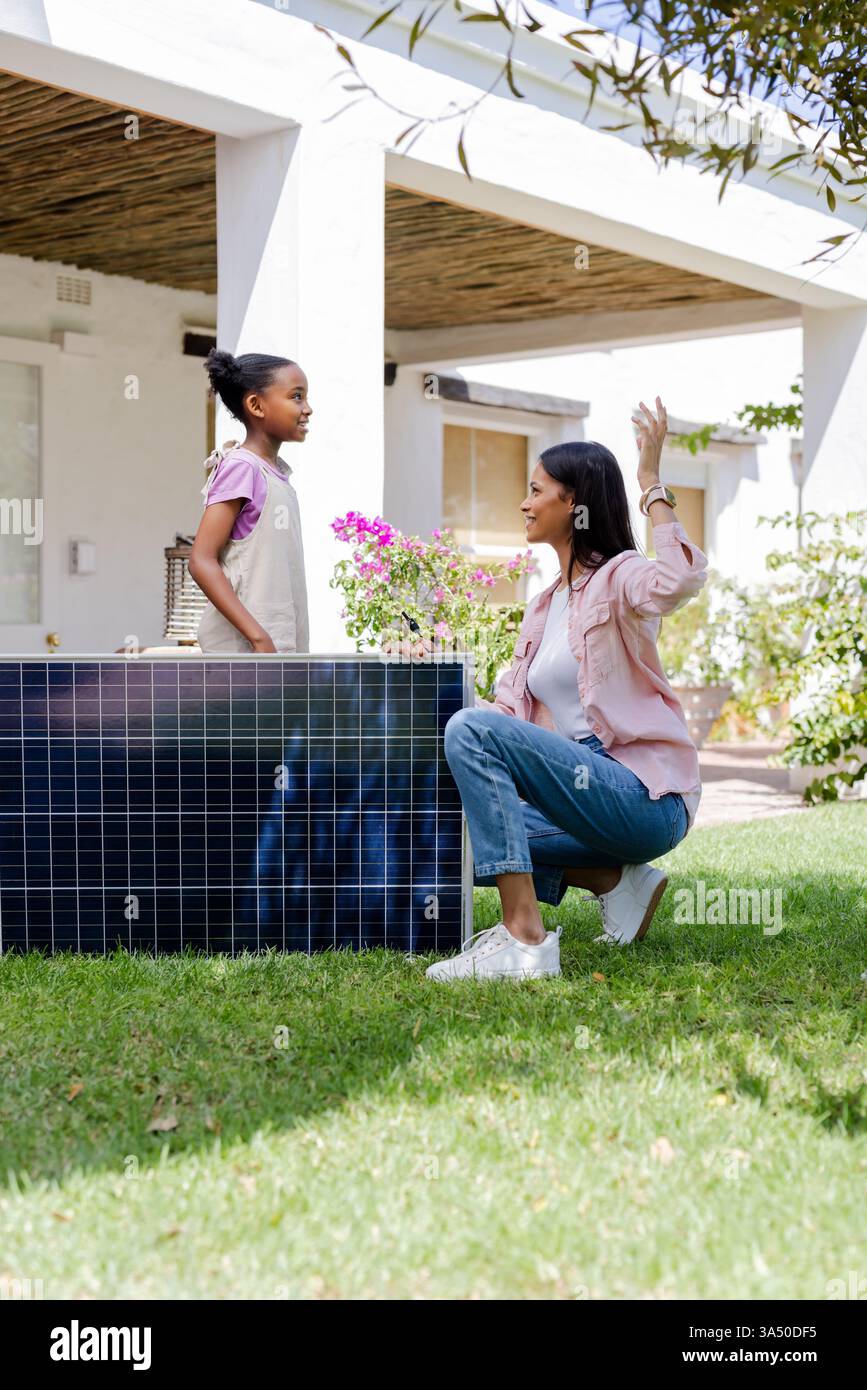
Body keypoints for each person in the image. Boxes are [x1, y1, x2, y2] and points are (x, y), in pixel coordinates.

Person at [427, 396, 708, 981]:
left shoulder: (620, 576)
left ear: (573, 502)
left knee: (471, 735)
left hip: (643, 797)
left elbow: (679, 579)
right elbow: (503, 717)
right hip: (586, 792)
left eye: (537, 490)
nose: (524, 502)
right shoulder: (542, 607)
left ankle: (523, 941)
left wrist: (651, 480)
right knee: (456, 833)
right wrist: (430, 665)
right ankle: (617, 882)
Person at [189, 348, 311, 653]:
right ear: (256, 405)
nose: (307, 408)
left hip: (276, 653)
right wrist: (259, 637)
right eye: (296, 396)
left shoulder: (278, 475)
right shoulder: (242, 467)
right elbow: (201, 561)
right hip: (246, 657)